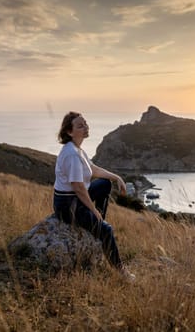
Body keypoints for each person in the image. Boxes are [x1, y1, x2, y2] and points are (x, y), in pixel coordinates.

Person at [53, 111, 135, 281]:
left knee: (105, 184)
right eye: (80, 125)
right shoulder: (72, 154)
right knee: (106, 229)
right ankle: (122, 272)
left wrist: (117, 177)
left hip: (75, 198)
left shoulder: (78, 149)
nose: (85, 127)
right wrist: (94, 211)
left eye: (85, 124)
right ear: (69, 131)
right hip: (67, 205)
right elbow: (78, 188)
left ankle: (96, 222)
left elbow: (94, 170)